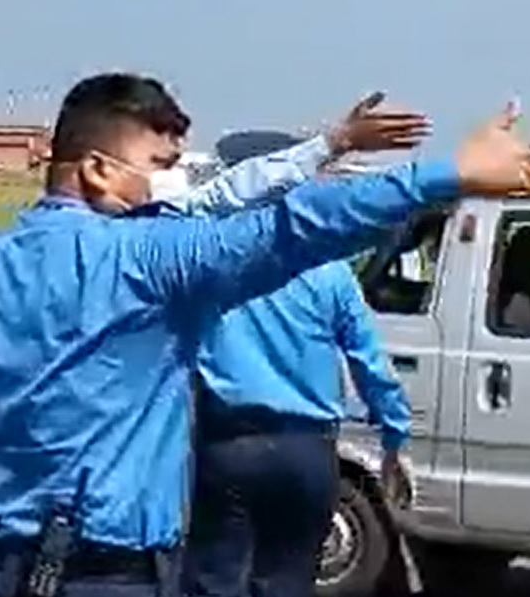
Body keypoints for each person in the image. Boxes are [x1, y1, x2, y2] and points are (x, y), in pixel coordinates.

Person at [0, 72, 530, 597]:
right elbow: (294, 227)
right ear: (99, 168)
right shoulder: (149, 260)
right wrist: (445, 173)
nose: (173, 183)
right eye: (160, 164)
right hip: (113, 576)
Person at [179, 129, 418, 597]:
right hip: (307, 451)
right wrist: (394, 438)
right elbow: (370, 363)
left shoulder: (209, 265)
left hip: (228, 443)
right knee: (288, 582)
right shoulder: (329, 273)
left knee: (214, 580)